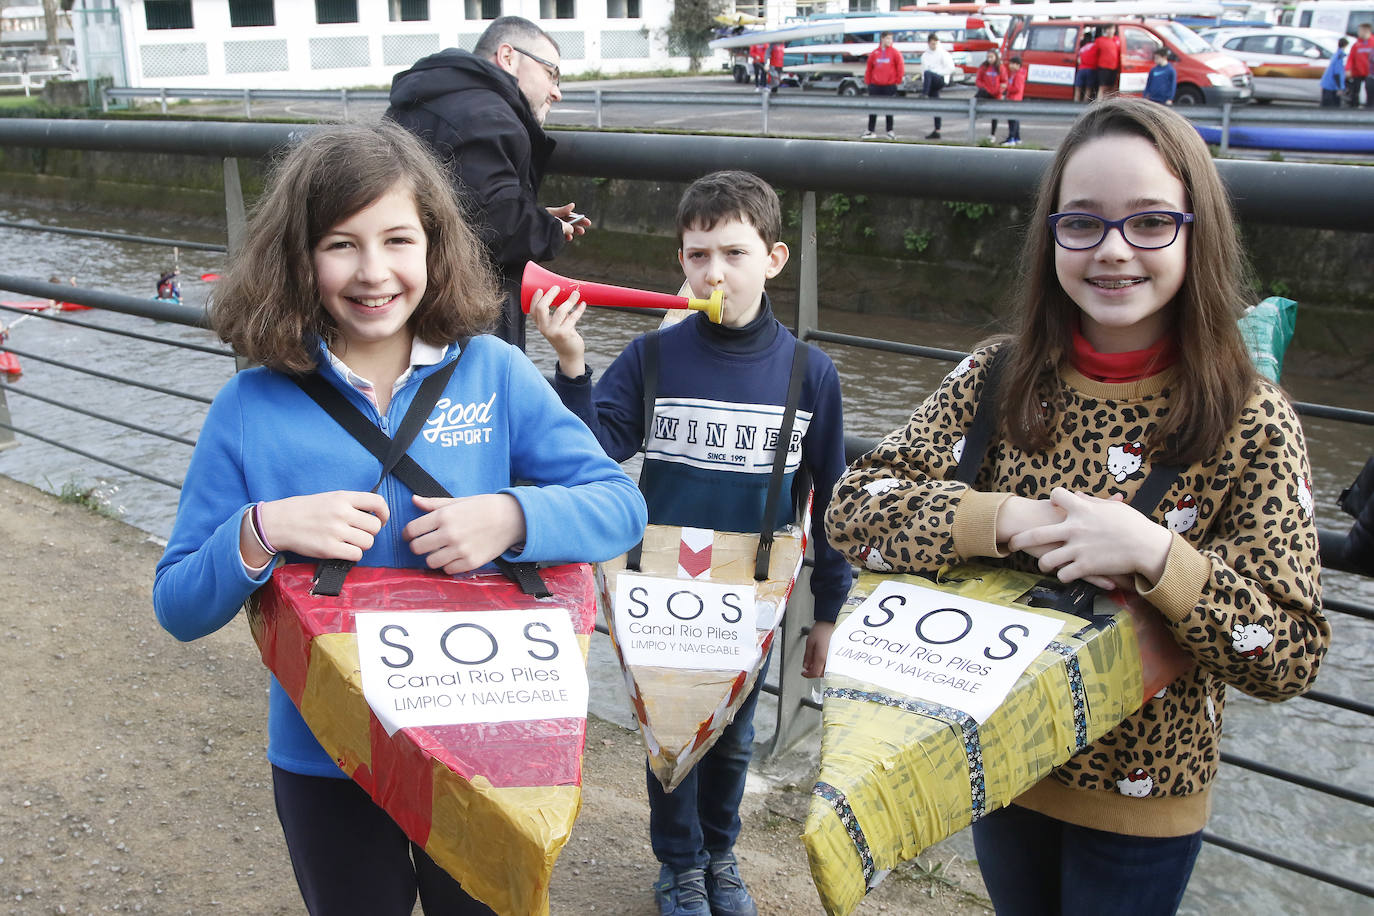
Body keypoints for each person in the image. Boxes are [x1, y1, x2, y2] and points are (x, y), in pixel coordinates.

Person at [824, 97, 1330, 916]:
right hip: (997, 757)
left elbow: (1292, 650)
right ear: (1051, 236)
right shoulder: (998, 374)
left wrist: (1154, 554)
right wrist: (1005, 518)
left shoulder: (1252, 417)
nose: (1114, 252)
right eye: (1083, 224)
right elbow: (855, 508)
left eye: (1150, 223)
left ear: (1196, 233)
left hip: (1145, 792)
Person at [152, 121, 647, 916]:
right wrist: (262, 529)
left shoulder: (496, 370)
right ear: (297, 256)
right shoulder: (247, 407)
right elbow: (177, 604)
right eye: (341, 244)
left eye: (397, 239)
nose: (374, 272)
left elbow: (620, 506)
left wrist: (509, 516)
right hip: (325, 757)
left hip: (481, 741)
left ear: (435, 247)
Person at [531, 170, 853, 916]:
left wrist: (828, 611)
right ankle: (678, 866)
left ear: (773, 260)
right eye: (697, 254)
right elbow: (590, 453)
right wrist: (573, 363)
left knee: (732, 736)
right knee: (667, 732)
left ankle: (719, 855)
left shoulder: (811, 374)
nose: (714, 273)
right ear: (680, 260)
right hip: (658, 583)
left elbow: (833, 503)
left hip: (753, 589)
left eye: (734, 254)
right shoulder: (654, 358)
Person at [385, 16, 589, 351]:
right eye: (551, 72)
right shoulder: (488, 116)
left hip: (407, 305)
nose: (557, 91)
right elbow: (491, 225)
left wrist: (533, 213)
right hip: (465, 321)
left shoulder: (423, 99)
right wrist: (547, 228)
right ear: (508, 57)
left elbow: (462, 200)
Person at [861, 31, 905, 139]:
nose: (889, 41)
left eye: (891, 39)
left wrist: (898, 80)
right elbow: (869, 68)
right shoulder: (875, 53)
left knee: (889, 108)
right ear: (882, 39)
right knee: (873, 108)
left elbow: (900, 67)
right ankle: (871, 130)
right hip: (875, 85)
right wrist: (868, 82)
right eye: (887, 38)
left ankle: (889, 131)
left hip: (889, 85)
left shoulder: (895, 53)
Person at [921, 32, 957, 140]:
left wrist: (937, 72)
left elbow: (951, 68)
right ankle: (937, 130)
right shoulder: (925, 56)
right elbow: (924, 71)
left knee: (929, 73)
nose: (934, 46)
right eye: (932, 44)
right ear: (928, 44)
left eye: (935, 44)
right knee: (936, 104)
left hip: (940, 79)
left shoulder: (943, 54)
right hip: (930, 82)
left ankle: (924, 94)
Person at [975, 48, 1005, 141]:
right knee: (978, 96)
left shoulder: (1000, 67)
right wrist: (984, 87)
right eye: (988, 57)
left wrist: (999, 90)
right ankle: (973, 111)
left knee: (994, 115)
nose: (990, 59)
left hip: (996, 94)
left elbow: (1004, 82)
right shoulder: (983, 67)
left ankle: (992, 134)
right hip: (986, 92)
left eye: (991, 57)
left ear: (996, 57)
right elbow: (978, 80)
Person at [1346, 22, 1374, 107]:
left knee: (1370, 95)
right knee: (1355, 93)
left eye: (1360, 31)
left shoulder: (1372, 43)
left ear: (1366, 31)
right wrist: (1348, 69)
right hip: (1358, 73)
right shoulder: (1356, 44)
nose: (1358, 33)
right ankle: (1354, 108)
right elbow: (1351, 58)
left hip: (1370, 74)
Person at [1001, 56, 1027, 146]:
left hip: (1014, 99)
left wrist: (1007, 87)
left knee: (1012, 120)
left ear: (1018, 65)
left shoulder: (1019, 75)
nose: (1010, 66)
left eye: (1013, 64)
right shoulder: (1015, 74)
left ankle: (1011, 138)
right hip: (1012, 99)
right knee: (1015, 119)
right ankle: (1016, 137)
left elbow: (1017, 88)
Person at [1094, 23, 1122, 97]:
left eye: (1112, 29)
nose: (1110, 31)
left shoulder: (1117, 40)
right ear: (1105, 31)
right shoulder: (1099, 40)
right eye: (1108, 29)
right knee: (1102, 87)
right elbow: (1095, 54)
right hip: (1103, 68)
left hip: (1114, 68)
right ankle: (1099, 104)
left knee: (1112, 88)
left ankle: (1108, 104)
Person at [1321, 36, 1348, 108]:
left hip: (1327, 84)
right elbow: (1337, 73)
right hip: (1332, 86)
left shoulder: (1336, 54)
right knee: (1332, 106)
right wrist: (1340, 88)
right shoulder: (1340, 57)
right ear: (1345, 45)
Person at [1075, 30, 1099, 103]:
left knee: (1078, 88)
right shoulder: (1095, 46)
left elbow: (1079, 60)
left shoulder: (1082, 48)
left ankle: (1075, 103)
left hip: (1081, 70)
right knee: (1088, 88)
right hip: (1091, 70)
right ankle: (1084, 105)